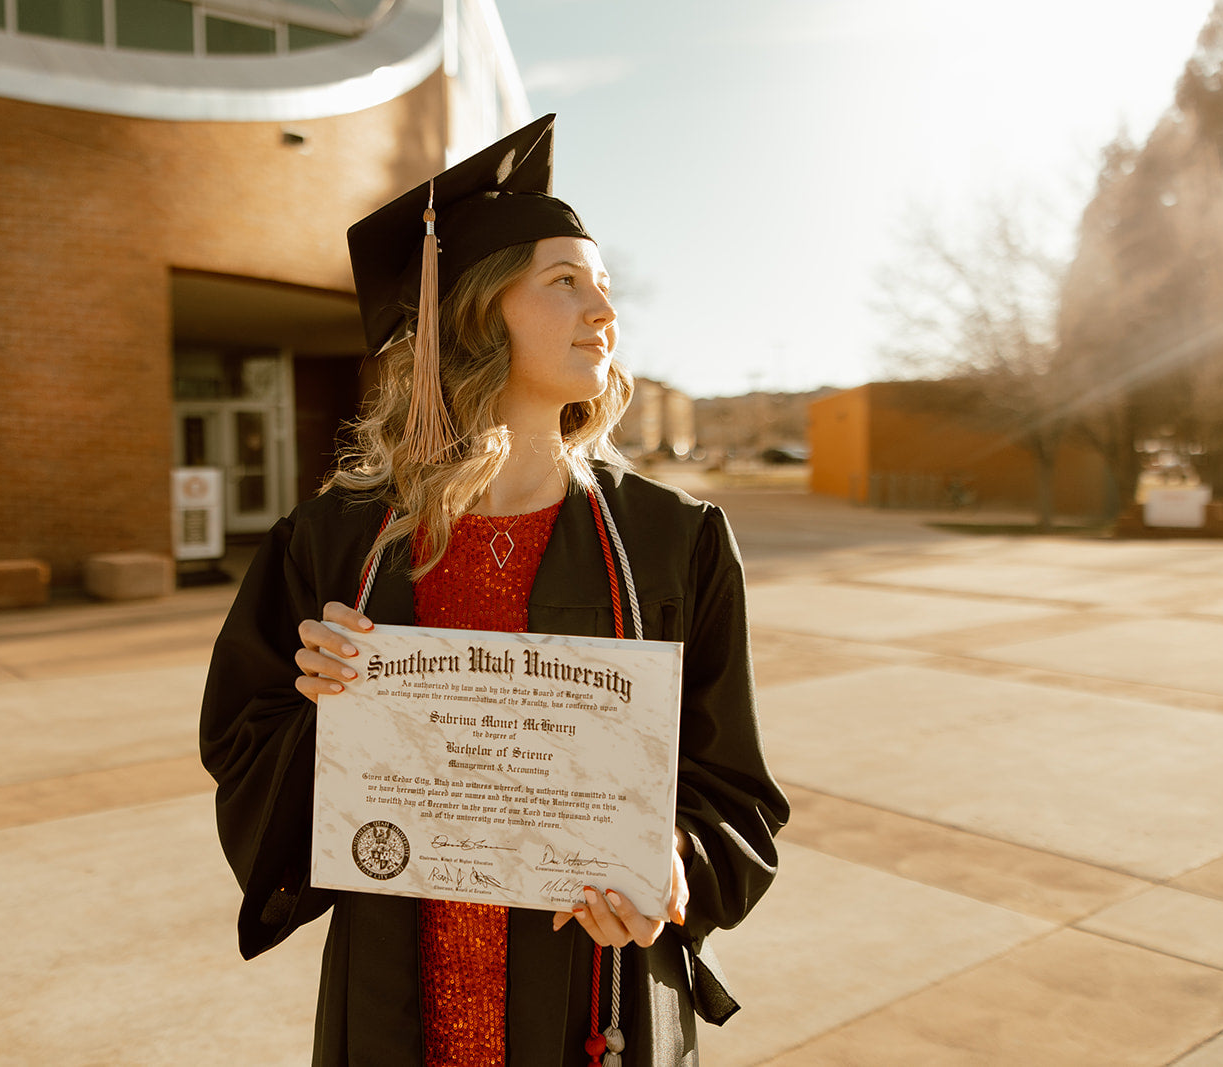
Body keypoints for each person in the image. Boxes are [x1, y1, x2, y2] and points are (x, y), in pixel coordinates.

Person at [201, 114, 788, 1067]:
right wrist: (323, 716)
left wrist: (677, 868)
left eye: (607, 289)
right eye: (565, 282)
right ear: (473, 310)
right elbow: (243, 741)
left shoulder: (671, 543)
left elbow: (735, 793)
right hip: (399, 985)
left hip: (593, 996)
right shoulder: (339, 541)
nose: (604, 312)